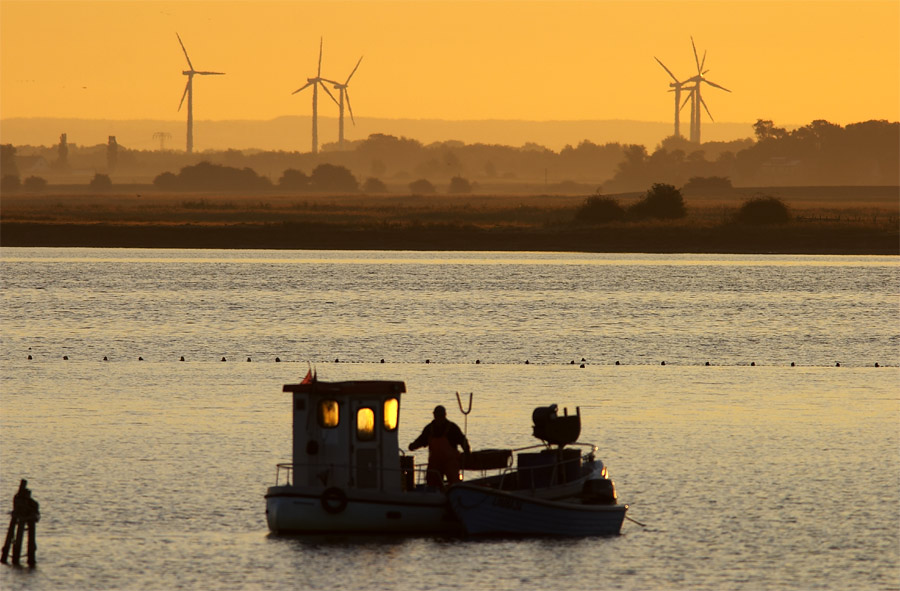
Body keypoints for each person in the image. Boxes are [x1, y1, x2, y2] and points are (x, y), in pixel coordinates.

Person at [409, 405, 471, 489]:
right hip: (435, 463)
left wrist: (467, 453)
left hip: (450, 462)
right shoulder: (429, 429)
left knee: (455, 483)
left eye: (440, 416)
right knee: (432, 484)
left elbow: (462, 440)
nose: (439, 418)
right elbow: (421, 440)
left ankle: (455, 495)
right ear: (434, 415)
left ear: (444, 415)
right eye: (437, 415)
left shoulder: (452, 428)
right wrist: (413, 446)